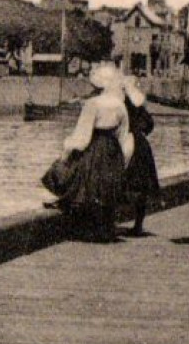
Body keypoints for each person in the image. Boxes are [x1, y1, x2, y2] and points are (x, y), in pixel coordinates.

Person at [46, 62, 133, 243]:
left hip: (95, 146)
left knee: (88, 186)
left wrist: (66, 151)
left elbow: (83, 135)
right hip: (112, 148)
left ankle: (88, 229)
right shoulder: (120, 105)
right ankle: (107, 229)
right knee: (106, 189)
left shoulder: (93, 103)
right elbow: (123, 134)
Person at [122, 76, 160, 237]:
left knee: (123, 179)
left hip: (125, 141)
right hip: (141, 146)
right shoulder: (140, 105)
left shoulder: (122, 103)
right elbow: (150, 125)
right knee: (142, 184)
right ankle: (138, 224)